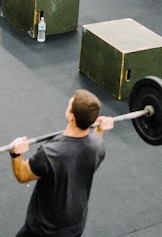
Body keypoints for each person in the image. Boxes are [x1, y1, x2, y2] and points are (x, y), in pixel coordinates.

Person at [9, 90, 113, 237]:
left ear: (72, 117)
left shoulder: (50, 153)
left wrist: (16, 153)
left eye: (69, 104)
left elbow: (22, 175)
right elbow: (94, 139)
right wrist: (99, 129)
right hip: (74, 227)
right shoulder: (98, 146)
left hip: (43, 230)